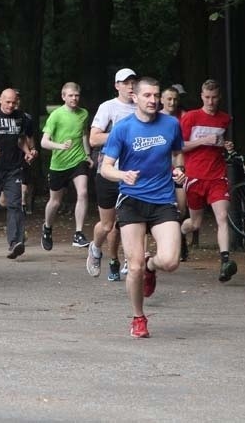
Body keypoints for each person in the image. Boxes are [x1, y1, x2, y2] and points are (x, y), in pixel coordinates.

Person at [100, 76, 185, 338]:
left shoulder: (171, 124)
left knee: (170, 261)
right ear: (135, 97)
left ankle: (152, 266)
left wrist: (179, 170)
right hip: (132, 200)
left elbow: (177, 153)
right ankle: (139, 317)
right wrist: (122, 175)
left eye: (156, 95)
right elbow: (106, 168)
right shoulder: (123, 128)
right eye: (147, 95)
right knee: (133, 266)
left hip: (162, 200)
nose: (153, 100)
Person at [179, 79, 238, 283]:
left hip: (217, 176)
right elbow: (180, 146)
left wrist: (226, 146)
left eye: (214, 98)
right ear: (201, 96)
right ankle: (180, 232)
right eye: (207, 97)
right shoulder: (191, 117)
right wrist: (203, 141)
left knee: (222, 217)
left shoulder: (224, 119)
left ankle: (225, 262)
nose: (211, 101)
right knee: (195, 224)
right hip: (195, 176)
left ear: (219, 97)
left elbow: (222, 142)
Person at [87, 68, 137, 280]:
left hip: (133, 173)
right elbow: (94, 139)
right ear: (117, 86)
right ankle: (95, 247)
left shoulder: (143, 107)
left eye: (133, 82)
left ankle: (130, 260)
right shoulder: (108, 107)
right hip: (108, 170)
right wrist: (121, 135)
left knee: (132, 219)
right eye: (125, 83)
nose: (130, 86)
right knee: (108, 225)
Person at [0, 88, 36, 260]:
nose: (11, 105)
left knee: (15, 204)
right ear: (0, 101)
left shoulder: (22, 118)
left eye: (13, 102)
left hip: (14, 168)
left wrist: (28, 151)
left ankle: (15, 243)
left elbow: (22, 138)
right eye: (7, 102)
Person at [40, 82, 92, 250]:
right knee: (55, 201)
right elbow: (44, 142)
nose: (74, 98)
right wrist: (60, 146)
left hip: (78, 160)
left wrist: (88, 155)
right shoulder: (56, 115)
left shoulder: (83, 113)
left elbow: (84, 134)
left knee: (83, 192)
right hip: (59, 164)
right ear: (63, 97)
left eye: (76, 95)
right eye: (70, 95)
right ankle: (47, 227)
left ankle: (78, 233)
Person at [160, 86, 188, 259]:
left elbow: (181, 147)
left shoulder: (182, 117)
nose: (172, 102)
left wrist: (181, 168)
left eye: (175, 99)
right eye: (168, 99)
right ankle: (172, 245)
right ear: (161, 100)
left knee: (182, 208)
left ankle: (181, 237)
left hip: (178, 168)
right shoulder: (155, 118)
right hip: (160, 171)